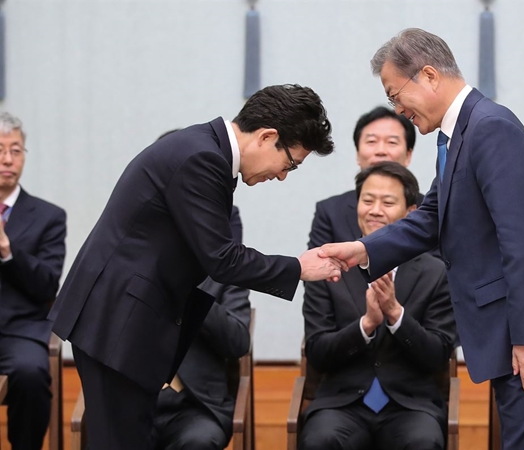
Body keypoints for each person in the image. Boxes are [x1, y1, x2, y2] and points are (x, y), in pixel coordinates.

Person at [320, 28, 524, 449]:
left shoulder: (490, 129)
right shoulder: (457, 135)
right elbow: (433, 215)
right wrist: (363, 249)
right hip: (512, 329)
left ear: (430, 76)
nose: (398, 110)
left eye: (397, 95)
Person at [48, 84, 342, 449]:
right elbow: (222, 259)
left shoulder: (204, 149)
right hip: (118, 323)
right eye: (290, 164)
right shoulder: (202, 158)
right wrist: (298, 267)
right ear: (268, 136)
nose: (283, 175)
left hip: (126, 321)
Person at [300, 162, 457, 450]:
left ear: (412, 212)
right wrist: (366, 325)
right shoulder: (329, 270)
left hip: (410, 405)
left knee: (423, 441)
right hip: (342, 403)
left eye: (387, 202)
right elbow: (317, 353)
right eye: (367, 200)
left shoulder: (436, 274)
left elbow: (438, 355)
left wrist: (396, 315)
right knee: (321, 440)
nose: (375, 210)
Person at [154, 206, 251, 450]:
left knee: (200, 441)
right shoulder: (133, 266)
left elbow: (238, 342)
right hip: (131, 400)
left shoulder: (228, 277)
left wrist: (189, 293)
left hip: (195, 406)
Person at [0, 112, 67, 450]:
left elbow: (47, 285)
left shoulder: (49, 217)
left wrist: (8, 251)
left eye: (16, 150)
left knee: (30, 373)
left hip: (20, 330)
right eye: (0, 150)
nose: (7, 159)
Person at [308, 106, 417, 247]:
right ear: (358, 154)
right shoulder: (330, 211)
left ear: (408, 155)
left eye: (391, 142)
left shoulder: (432, 209)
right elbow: (318, 265)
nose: (380, 151)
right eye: (371, 141)